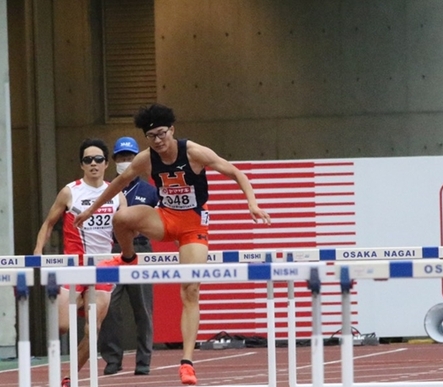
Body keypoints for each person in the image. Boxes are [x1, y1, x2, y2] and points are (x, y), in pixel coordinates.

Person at [74, 103, 271, 386]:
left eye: (162, 134)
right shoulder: (146, 158)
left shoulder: (193, 152)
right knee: (121, 218)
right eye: (152, 136)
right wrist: (91, 209)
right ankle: (128, 259)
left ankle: (187, 364)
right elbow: (118, 183)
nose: (158, 140)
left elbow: (235, 172)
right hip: (164, 219)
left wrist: (251, 202)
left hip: (193, 226)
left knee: (190, 289)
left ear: (172, 130)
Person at [33, 138, 127, 387]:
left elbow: (127, 229)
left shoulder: (117, 194)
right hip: (74, 267)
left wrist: (127, 255)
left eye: (98, 159)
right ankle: (81, 303)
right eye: (88, 160)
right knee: (62, 325)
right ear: (82, 165)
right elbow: (48, 224)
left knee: (91, 331)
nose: (93, 164)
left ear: (106, 163)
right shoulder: (70, 191)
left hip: (104, 268)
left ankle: (69, 377)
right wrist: (38, 251)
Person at [98, 137, 158, 376]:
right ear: (114, 161)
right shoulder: (108, 188)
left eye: (130, 157)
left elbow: (161, 219)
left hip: (141, 249)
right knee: (109, 305)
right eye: (121, 158)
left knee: (142, 307)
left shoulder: (150, 191)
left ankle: (143, 361)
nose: (126, 162)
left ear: (138, 160)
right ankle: (112, 358)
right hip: (112, 249)